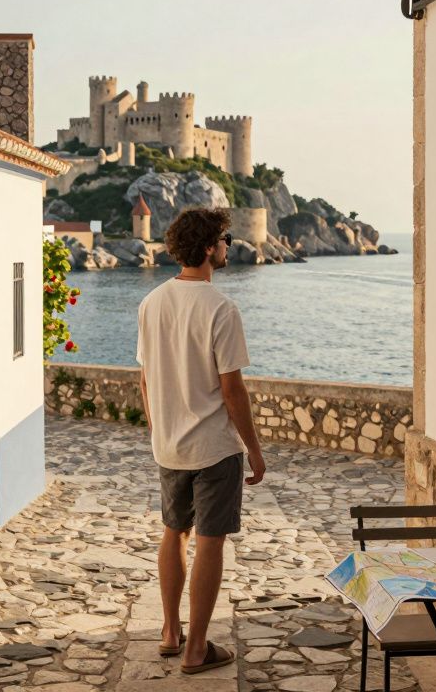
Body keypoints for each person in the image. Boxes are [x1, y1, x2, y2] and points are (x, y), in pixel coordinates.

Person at [136, 207, 266, 675]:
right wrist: (254, 450)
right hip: (213, 447)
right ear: (210, 248)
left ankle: (171, 632)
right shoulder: (221, 308)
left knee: (174, 531)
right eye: (225, 240)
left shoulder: (151, 303)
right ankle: (197, 649)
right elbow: (233, 391)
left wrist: (159, 428)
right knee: (210, 541)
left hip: (169, 445)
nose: (229, 246)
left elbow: (145, 377)